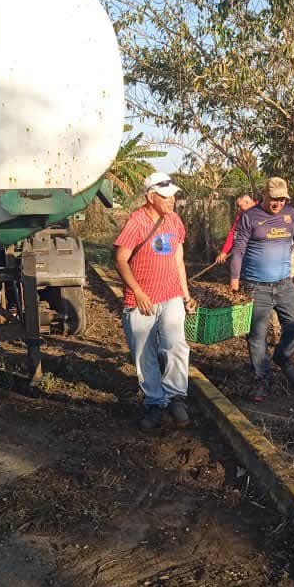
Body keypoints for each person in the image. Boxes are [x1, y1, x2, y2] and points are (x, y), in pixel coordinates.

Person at [114, 171, 197, 431]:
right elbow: (120, 260)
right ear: (150, 197)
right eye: (165, 196)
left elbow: (177, 260)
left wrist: (185, 294)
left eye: (173, 195)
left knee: (175, 345)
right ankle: (154, 401)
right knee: (144, 353)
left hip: (171, 295)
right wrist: (138, 292)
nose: (171, 200)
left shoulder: (174, 220)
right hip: (142, 301)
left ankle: (176, 397)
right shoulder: (136, 222)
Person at [230, 176, 294, 398]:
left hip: (284, 284)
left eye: (282, 199)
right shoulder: (249, 217)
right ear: (264, 194)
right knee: (257, 335)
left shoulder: (290, 214)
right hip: (256, 286)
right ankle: (262, 379)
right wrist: (235, 277)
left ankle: (282, 356)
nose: (278, 203)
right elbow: (238, 249)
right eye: (274, 199)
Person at [215, 193, 256, 264]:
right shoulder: (241, 214)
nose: (238, 209)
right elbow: (233, 232)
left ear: (247, 202)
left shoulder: (262, 209)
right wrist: (224, 251)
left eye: (240, 206)